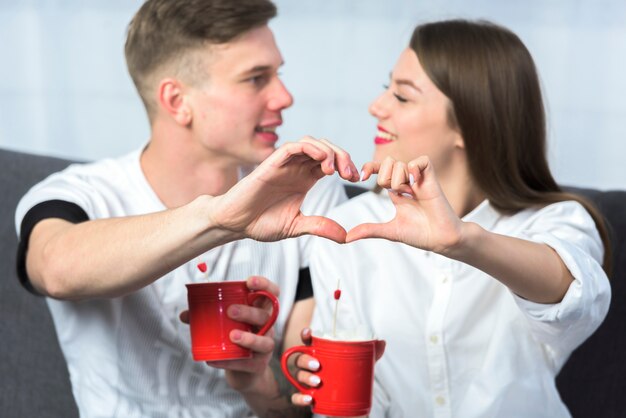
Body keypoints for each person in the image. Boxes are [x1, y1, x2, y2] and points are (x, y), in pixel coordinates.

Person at [14, 0, 359, 417]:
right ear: (177, 101)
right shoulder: (81, 194)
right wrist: (218, 218)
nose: (284, 97)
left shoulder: (309, 196)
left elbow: (300, 407)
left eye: (277, 74)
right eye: (255, 79)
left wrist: (258, 386)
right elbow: (54, 268)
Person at [291, 19, 612, 417]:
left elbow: (577, 299)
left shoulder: (555, 221)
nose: (377, 107)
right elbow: (358, 398)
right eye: (385, 89)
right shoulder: (351, 226)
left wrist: (463, 240)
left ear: (468, 123)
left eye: (402, 97)